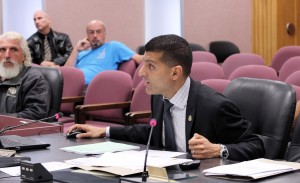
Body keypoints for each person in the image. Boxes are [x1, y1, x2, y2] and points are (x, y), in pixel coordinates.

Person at [67, 34, 265, 161]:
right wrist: (105, 132)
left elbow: (255, 146)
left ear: (175, 73)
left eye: (151, 66)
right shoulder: (160, 96)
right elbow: (155, 131)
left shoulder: (214, 106)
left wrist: (217, 149)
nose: (142, 73)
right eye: (143, 64)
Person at [64, 19, 143, 85]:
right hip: (71, 85)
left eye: (98, 32)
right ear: (87, 36)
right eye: (91, 32)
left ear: (104, 33)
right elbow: (65, 73)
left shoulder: (113, 47)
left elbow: (140, 59)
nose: (95, 35)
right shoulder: (81, 54)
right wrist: (76, 50)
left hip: (91, 87)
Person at [0, 31, 51, 120]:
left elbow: (35, 113)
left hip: (16, 131)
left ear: (24, 55)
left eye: (14, 49)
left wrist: (2, 120)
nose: (7, 55)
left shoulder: (34, 78)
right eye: (2, 49)